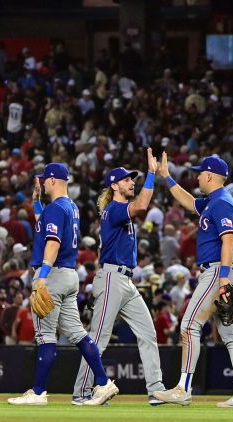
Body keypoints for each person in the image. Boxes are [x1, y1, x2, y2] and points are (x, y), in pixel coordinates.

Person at [8, 163, 117, 406]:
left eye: (45, 180)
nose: (43, 183)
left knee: (45, 335)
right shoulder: (70, 207)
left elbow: (53, 243)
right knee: (78, 333)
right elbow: (42, 228)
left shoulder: (56, 208)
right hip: (69, 275)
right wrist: (36, 202)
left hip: (53, 274)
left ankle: (38, 393)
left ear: (54, 180)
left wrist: (43, 276)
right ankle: (103, 382)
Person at [152, 154, 233, 408]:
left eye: (199, 173)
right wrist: (166, 177)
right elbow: (189, 202)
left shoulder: (222, 203)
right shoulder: (213, 201)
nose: (196, 176)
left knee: (189, 326)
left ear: (209, 176)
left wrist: (224, 279)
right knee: (231, 335)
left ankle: (182, 389)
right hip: (227, 270)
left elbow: (228, 240)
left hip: (220, 270)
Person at [72, 148, 168, 406]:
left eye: (132, 179)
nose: (131, 182)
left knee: (148, 333)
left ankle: (156, 390)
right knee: (99, 338)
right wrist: (151, 174)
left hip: (125, 281)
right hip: (112, 278)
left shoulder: (120, 208)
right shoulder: (114, 209)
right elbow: (143, 204)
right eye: (126, 179)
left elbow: (140, 205)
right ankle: (81, 392)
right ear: (114, 185)